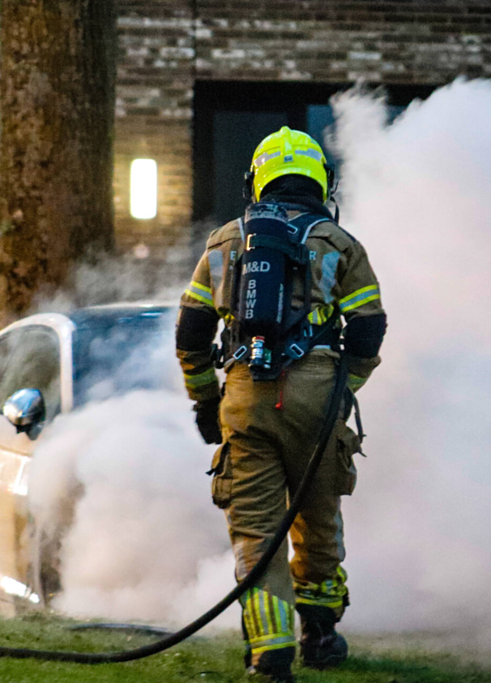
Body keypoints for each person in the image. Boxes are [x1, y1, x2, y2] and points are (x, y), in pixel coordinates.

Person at [175, 127, 386, 682]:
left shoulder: (225, 242)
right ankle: (320, 633)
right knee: (317, 516)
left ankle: (270, 652)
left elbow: (191, 331)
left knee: (257, 529)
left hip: (245, 394)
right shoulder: (339, 244)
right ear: (321, 181)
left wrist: (204, 402)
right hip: (317, 394)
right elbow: (369, 327)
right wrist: (344, 390)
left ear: (257, 182)